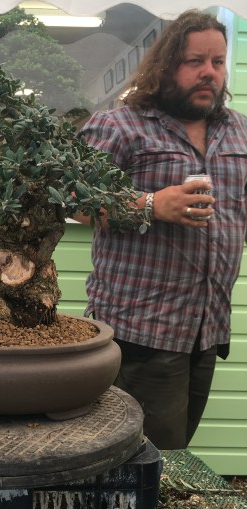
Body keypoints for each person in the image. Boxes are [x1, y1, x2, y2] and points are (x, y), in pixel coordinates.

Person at [77, 10, 247, 449]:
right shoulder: (120, 126)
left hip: (207, 328)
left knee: (173, 452)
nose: (209, 72)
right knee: (142, 459)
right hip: (141, 331)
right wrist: (151, 204)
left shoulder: (239, 132)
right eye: (195, 61)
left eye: (217, 62)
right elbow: (74, 200)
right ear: (167, 65)